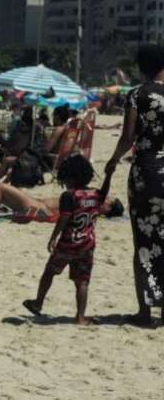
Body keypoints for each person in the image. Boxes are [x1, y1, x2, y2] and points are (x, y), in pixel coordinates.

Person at [105, 43, 164, 326]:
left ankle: (144, 311)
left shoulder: (138, 94)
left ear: (142, 67)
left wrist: (113, 161)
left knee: (144, 239)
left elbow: (128, 138)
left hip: (147, 174)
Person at [22, 155, 114, 324]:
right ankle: (80, 316)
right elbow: (104, 191)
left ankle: (38, 302)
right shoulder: (95, 195)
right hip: (87, 245)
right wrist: (108, 175)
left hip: (67, 244)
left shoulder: (69, 196)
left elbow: (63, 219)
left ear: (69, 177)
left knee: (50, 272)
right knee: (82, 282)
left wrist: (53, 237)